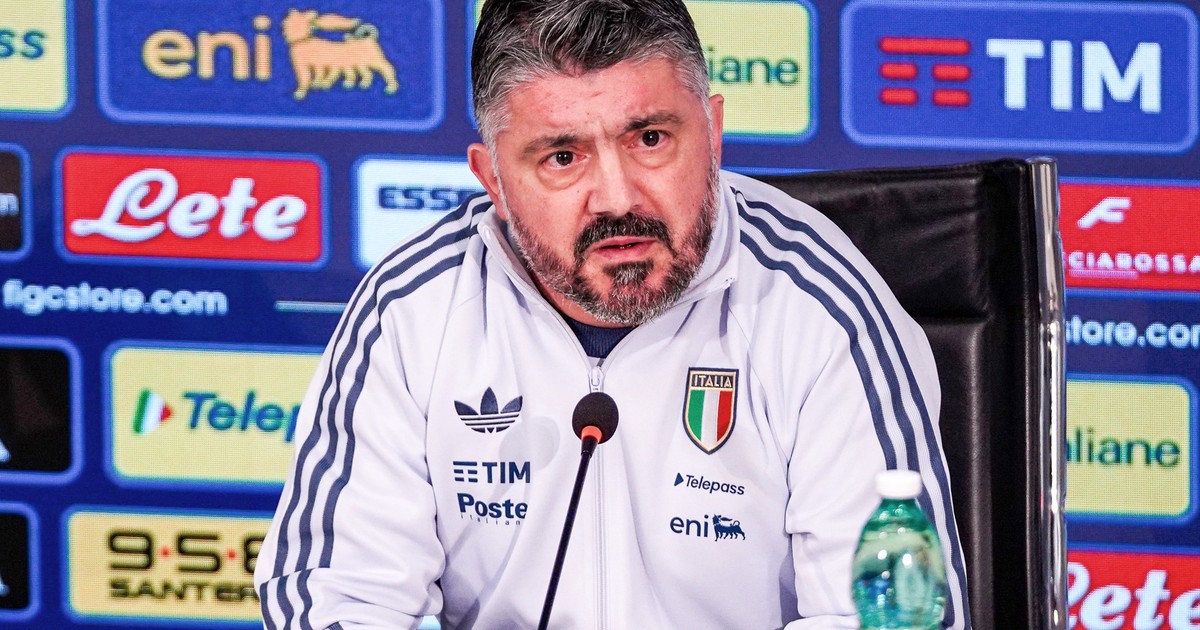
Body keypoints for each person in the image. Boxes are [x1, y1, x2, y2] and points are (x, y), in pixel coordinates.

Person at [255, 0, 970, 627]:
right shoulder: (413, 309)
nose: (617, 197)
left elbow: (892, 617)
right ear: (493, 179)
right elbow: (330, 595)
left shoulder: (819, 307)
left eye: (650, 139)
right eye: (562, 157)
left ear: (714, 132)